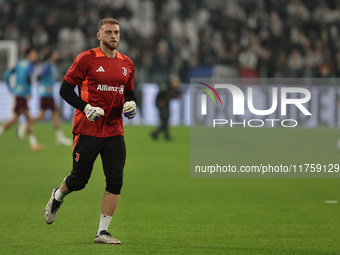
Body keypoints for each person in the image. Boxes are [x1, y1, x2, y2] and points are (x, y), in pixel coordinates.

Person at [44, 18, 137, 245]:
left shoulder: (127, 64)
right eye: (108, 32)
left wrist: (131, 106)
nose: (113, 36)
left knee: (115, 179)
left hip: (115, 131)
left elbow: (130, 94)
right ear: (99, 35)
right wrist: (85, 107)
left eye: (116, 32)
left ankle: (102, 232)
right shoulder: (86, 59)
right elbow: (65, 90)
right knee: (79, 180)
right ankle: (57, 196)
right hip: (87, 129)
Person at [0, 48, 44, 151]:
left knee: (26, 118)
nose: (35, 56)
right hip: (23, 94)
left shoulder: (19, 63)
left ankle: (33, 143)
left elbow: (7, 75)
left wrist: (10, 88)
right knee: (17, 118)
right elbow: (28, 78)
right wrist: (28, 92)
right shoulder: (30, 65)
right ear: (29, 55)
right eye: (34, 54)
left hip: (18, 93)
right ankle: (31, 142)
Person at [29, 49, 72, 146]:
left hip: (49, 94)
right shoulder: (48, 65)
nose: (57, 54)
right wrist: (45, 86)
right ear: (52, 55)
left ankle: (59, 137)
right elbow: (39, 76)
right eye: (55, 53)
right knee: (53, 113)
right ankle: (60, 138)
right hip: (46, 94)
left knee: (47, 114)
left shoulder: (51, 65)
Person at [151, 74, 181, 140]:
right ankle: (159, 134)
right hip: (160, 103)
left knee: (166, 120)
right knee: (165, 119)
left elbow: (175, 96)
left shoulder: (172, 88)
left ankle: (160, 134)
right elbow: (160, 95)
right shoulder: (165, 86)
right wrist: (160, 101)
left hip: (166, 103)